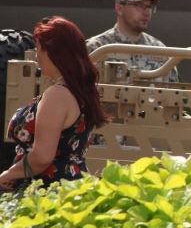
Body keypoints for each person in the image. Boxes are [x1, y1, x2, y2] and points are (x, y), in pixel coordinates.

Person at [1, 17, 110, 190]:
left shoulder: (57, 95)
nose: (37, 56)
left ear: (52, 52)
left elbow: (42, 156)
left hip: (47, 191)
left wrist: (8, 174)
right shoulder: (80, 91)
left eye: (38, 49)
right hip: (72, 186)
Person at [86, 0, 177, 82]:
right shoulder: (98, 48)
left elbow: (174, 93)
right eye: (140, 6)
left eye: (149, 7)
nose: (147, 12)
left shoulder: (159, 50)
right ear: (120, 8)